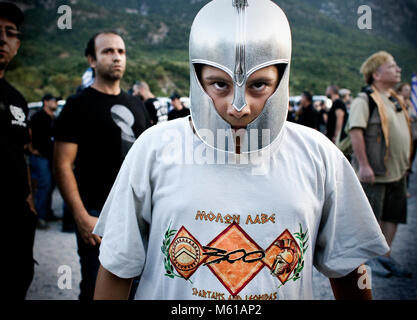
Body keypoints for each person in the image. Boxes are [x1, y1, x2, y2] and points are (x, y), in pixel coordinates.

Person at [93, 0, 389, 300]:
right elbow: (119, 265)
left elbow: (350, 268)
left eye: (259, 85)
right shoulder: (154, 149)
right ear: (197, 79)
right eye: (219, 84)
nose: (239, 107)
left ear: (281, 80)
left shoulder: (319, 156)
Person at [53, 30, 150, 300]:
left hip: (137, 216)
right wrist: (82, 218)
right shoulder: (77, 105)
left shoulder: (137, 105)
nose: (117, 57)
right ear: (91, 60)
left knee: (138, 290)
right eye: (108, 51)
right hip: (97, 217)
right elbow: (62, 165)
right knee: (98, 290)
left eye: (121, 51)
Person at [348, 51, 412, 278]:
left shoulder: (395, 98)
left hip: (398, 173)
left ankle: (385, 256)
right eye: (392, 66)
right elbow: (356, 131)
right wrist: (364, 165)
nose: (398, 70)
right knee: (370, 217)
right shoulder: (364, 100)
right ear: (376, 74)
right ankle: (369, 260)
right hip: (375, 172)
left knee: (394, 215)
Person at [0, 2, 37, 299]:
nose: (2, 38)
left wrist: (29, 205)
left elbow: (22, 151)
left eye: (10, 32)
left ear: (17, 44)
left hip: (15, 225)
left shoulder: (17, 100)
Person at [29, 93, 59, 229]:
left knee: (51, 185)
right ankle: (39, 217)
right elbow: (28, 132)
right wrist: (31, 148)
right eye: (54, 101)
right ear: (46, 102)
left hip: (51, 157)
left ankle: (47, 213)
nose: (56, 103)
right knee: (44, 185)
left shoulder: (54, 118)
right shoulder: (38, 116)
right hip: (40, 157)